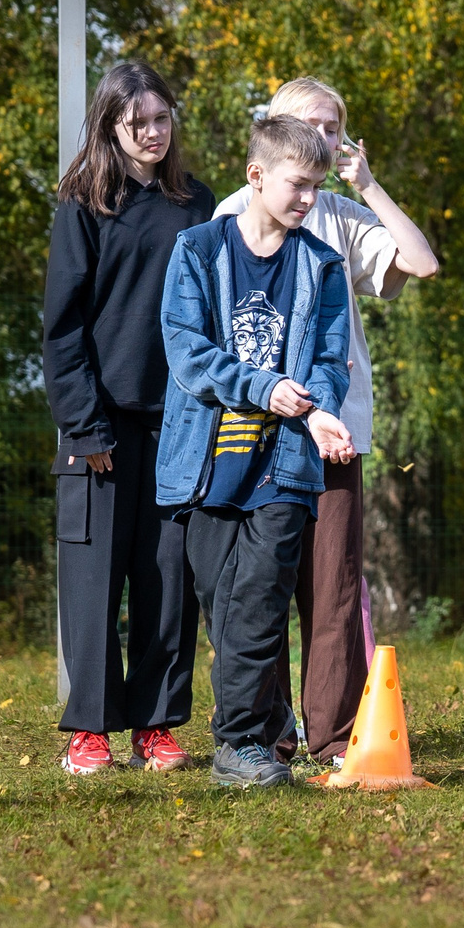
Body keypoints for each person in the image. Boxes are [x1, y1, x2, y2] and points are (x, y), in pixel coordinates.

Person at [213, 77, 441, 770]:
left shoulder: (342, 216)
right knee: (259, 586)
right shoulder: (229, 216)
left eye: (335, 126)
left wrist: (369, 186)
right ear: (273, 135)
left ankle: (335, 738)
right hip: (252, 432)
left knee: (333, 587)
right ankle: (266, 734)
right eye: (311, 123)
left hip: (336, 434)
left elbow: (421, 264)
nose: (325, 135)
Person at [155, 115, 354, 789]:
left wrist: (321, 411)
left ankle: (238, 746)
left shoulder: (320, 266)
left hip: (284, 468)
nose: (307, 200)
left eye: (317, 189)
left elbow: (330, 359)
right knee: (226, 605)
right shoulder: (194, 251)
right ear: (257, 176)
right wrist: (263, 387)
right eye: (298, 185)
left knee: (261, 601)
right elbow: (187, 352)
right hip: (204, 467)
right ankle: (267, 736)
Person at [42, 60, 214, 777]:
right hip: (101, 433)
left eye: (161, 118)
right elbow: (62, 328)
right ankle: (90, 733)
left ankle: (156, 727)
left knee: (168, 584)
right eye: (136, 121)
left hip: (179, 427)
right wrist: (84, 427)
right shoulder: (84, 205)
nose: (152, 131)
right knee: (93, 584)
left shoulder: (198, 204)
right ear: (111, 126)